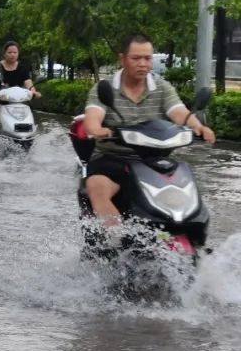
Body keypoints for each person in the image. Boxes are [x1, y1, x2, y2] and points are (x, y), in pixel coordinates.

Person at [82, 33, 216, 225]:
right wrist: (97, 129)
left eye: (147, 58)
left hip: (154, 160)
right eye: (136, 58)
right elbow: (93, 117)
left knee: (187, 188)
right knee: (97, 187)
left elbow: (179, 112)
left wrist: (198, 127)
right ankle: (115, 237)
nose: (143, 64)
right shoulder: (104, 87)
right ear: (122, 59)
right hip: (113, 159)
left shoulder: (161, 87)